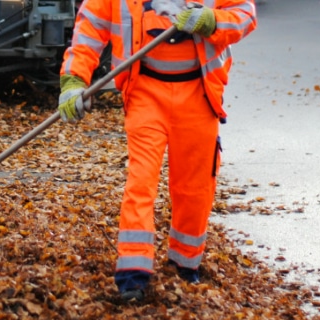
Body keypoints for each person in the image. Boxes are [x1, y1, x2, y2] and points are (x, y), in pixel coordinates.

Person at [58, 0, 257, 302]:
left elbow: (245, 15)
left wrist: (211, 21)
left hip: (199, 94)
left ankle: (185, 261)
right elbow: (89, 30)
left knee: (195, 186)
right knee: (141, 182)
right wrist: (74, 80)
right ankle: (133, 272)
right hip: (145, 93)